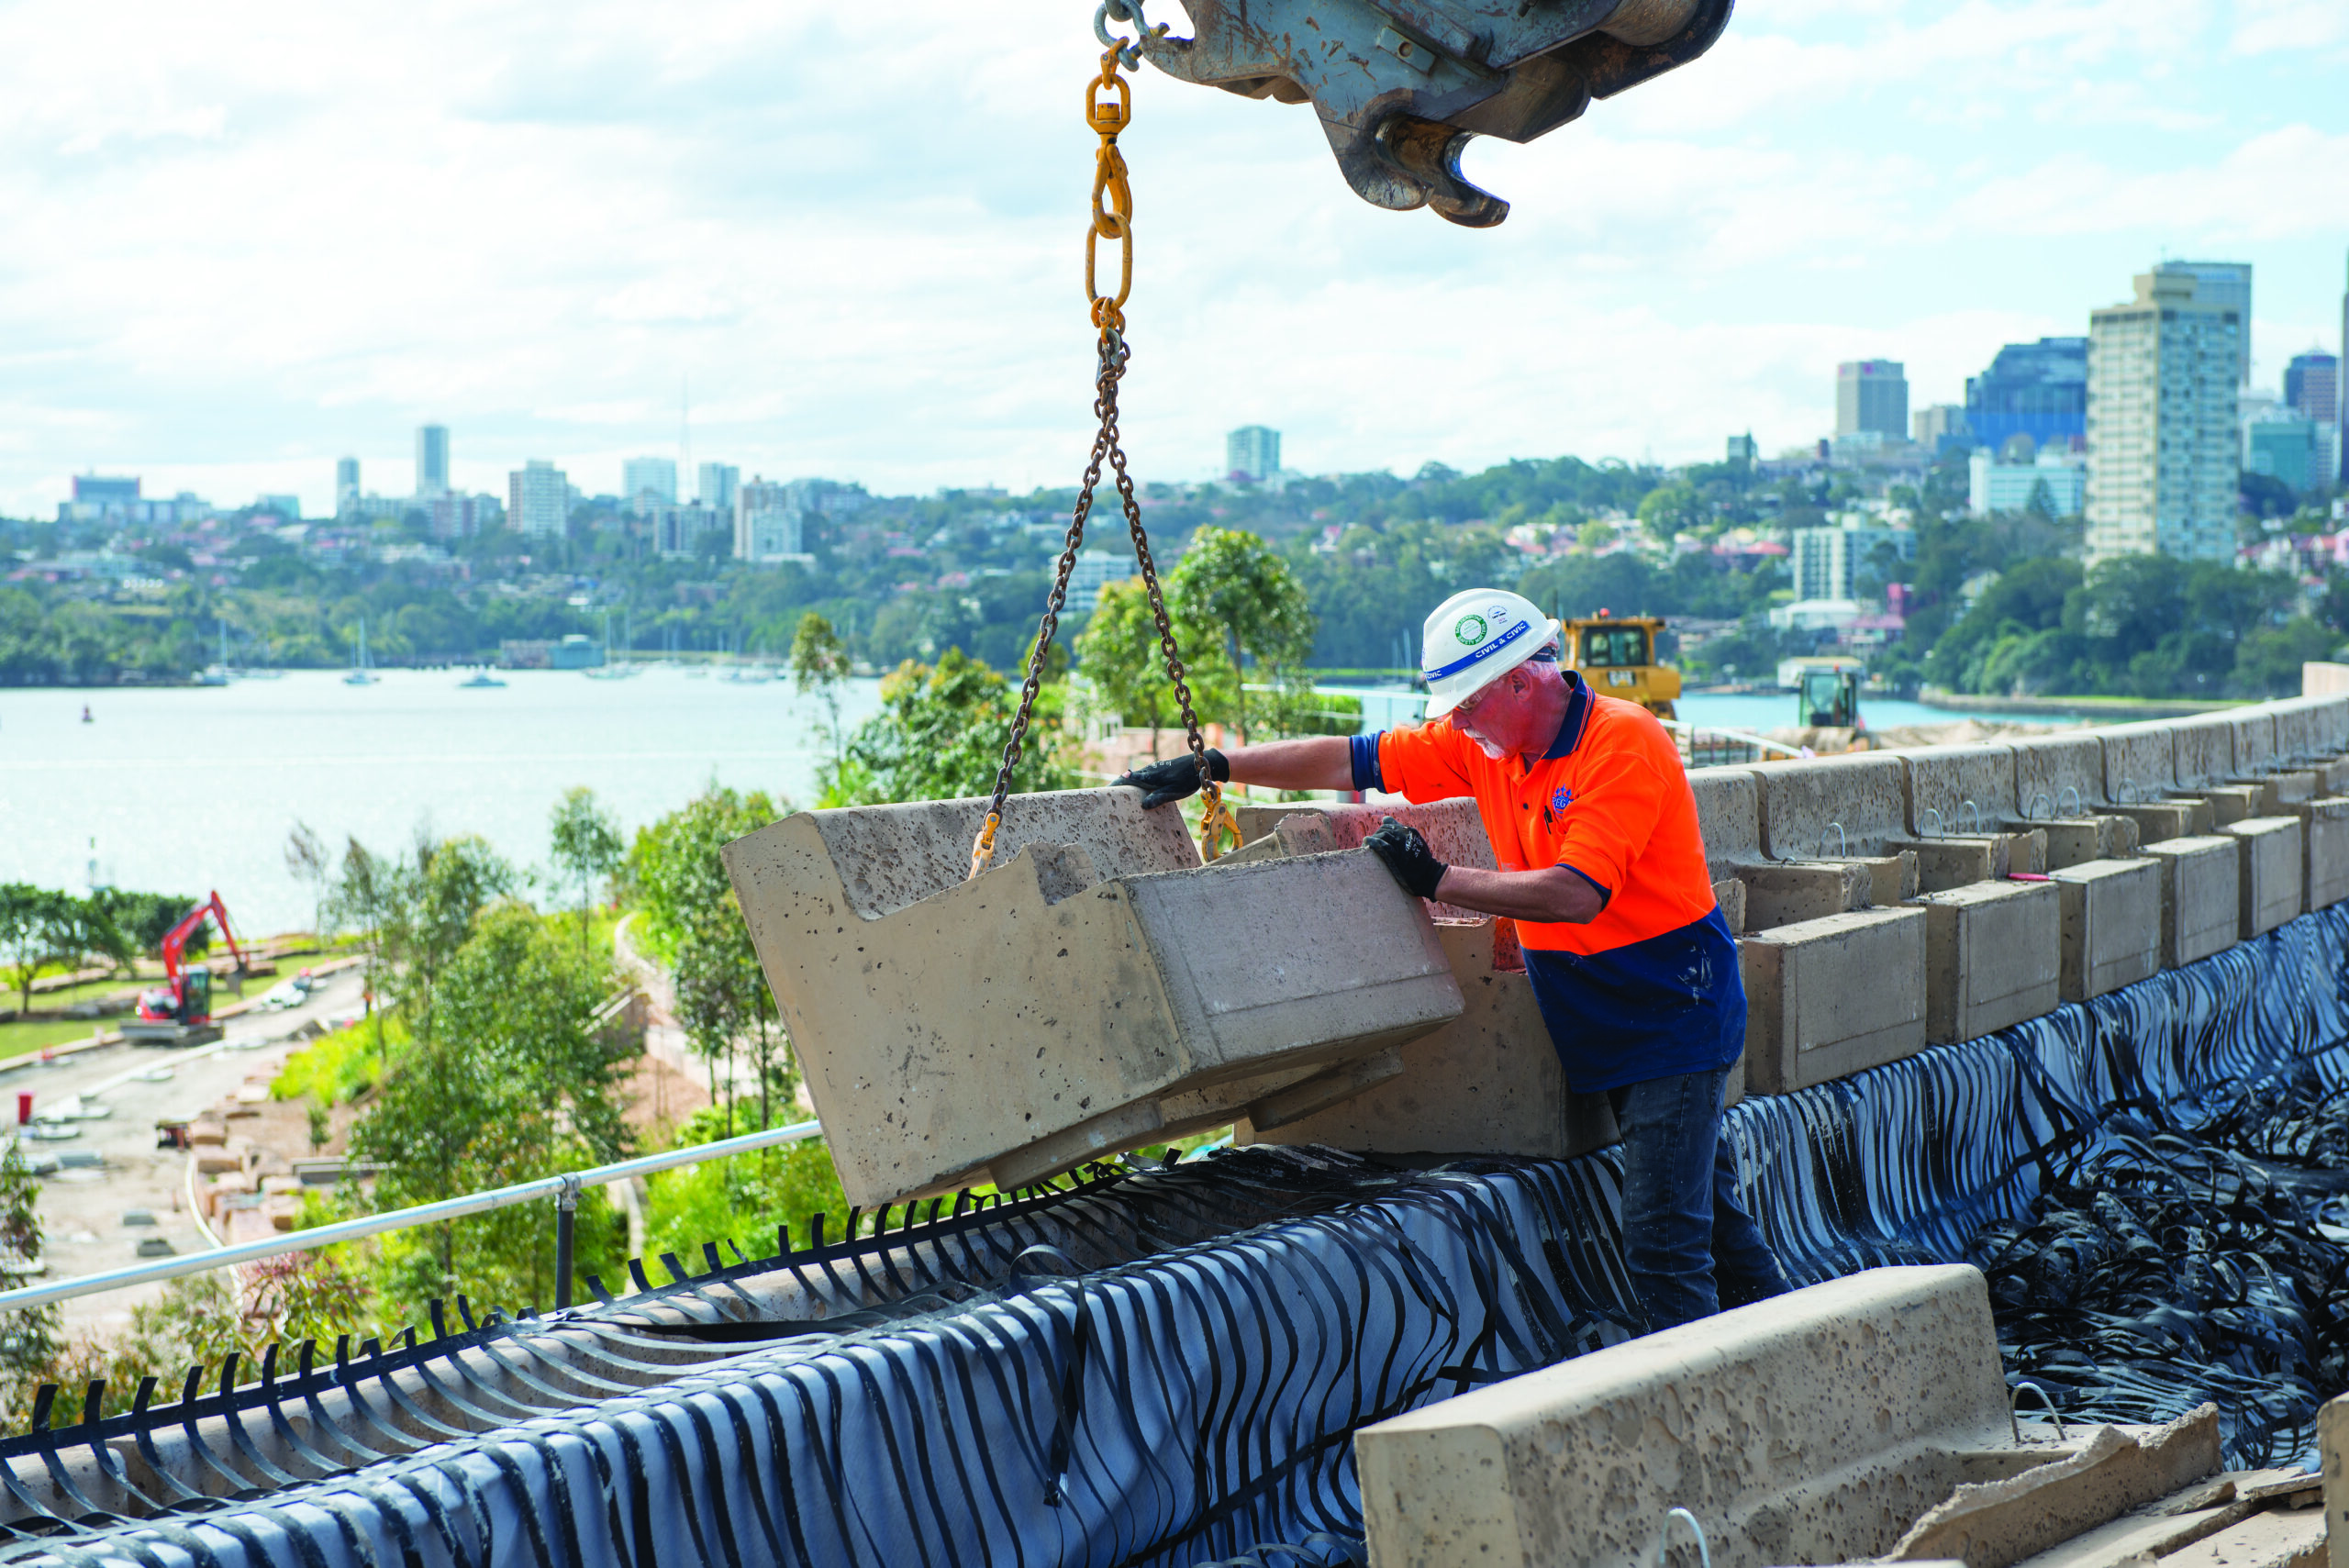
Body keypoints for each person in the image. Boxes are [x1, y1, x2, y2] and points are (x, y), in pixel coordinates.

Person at [1118, 587, 1788, 1331]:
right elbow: (1354, 759)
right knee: (1716, 1226)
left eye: (1467, 704)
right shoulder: (1486, 744)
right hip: (1606, 1021)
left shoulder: (1621, 743)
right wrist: (1216, 764)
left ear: (1521, 681)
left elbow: (1575, 893)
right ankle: (1789, 1357)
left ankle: (1698, 1410)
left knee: (1664, 1245)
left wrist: (1438, 879)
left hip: (1671, 1016)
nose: (1457, 721)